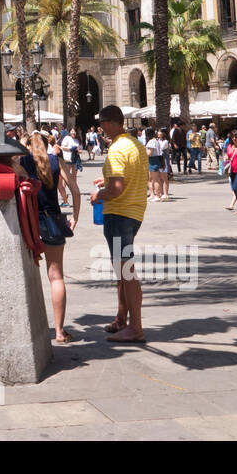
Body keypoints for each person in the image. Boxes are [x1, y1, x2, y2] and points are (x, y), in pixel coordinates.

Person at [89, 105, 148, 343]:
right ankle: (122, 319)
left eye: (102, 122)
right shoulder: (136, 145)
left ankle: (136, 327)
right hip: (135, 212)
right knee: (122, 271)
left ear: (112, 122)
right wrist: (108, 179)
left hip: (119, 213)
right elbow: (132, 175)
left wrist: (99, 195)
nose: (100, 126)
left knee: (127, 272)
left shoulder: (115, 149)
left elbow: (116, 190)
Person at [19, 130, 77, 343]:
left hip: (28, 223)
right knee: (56, 277)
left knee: (25, 276)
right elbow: (75, 190)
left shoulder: (23, 161)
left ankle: (28, 329)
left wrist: (22, 145)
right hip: (52, 221)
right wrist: (75, 217)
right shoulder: (55, 161)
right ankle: (60, 332)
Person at [145, 128, 168, 201]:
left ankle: (157, 196)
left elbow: (150, 153)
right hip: (156, 159)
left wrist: (143, 151)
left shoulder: (151, 141)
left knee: (155, 179)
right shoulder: (156, 141)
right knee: (154, 179)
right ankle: (157, 195)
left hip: (153, 160)